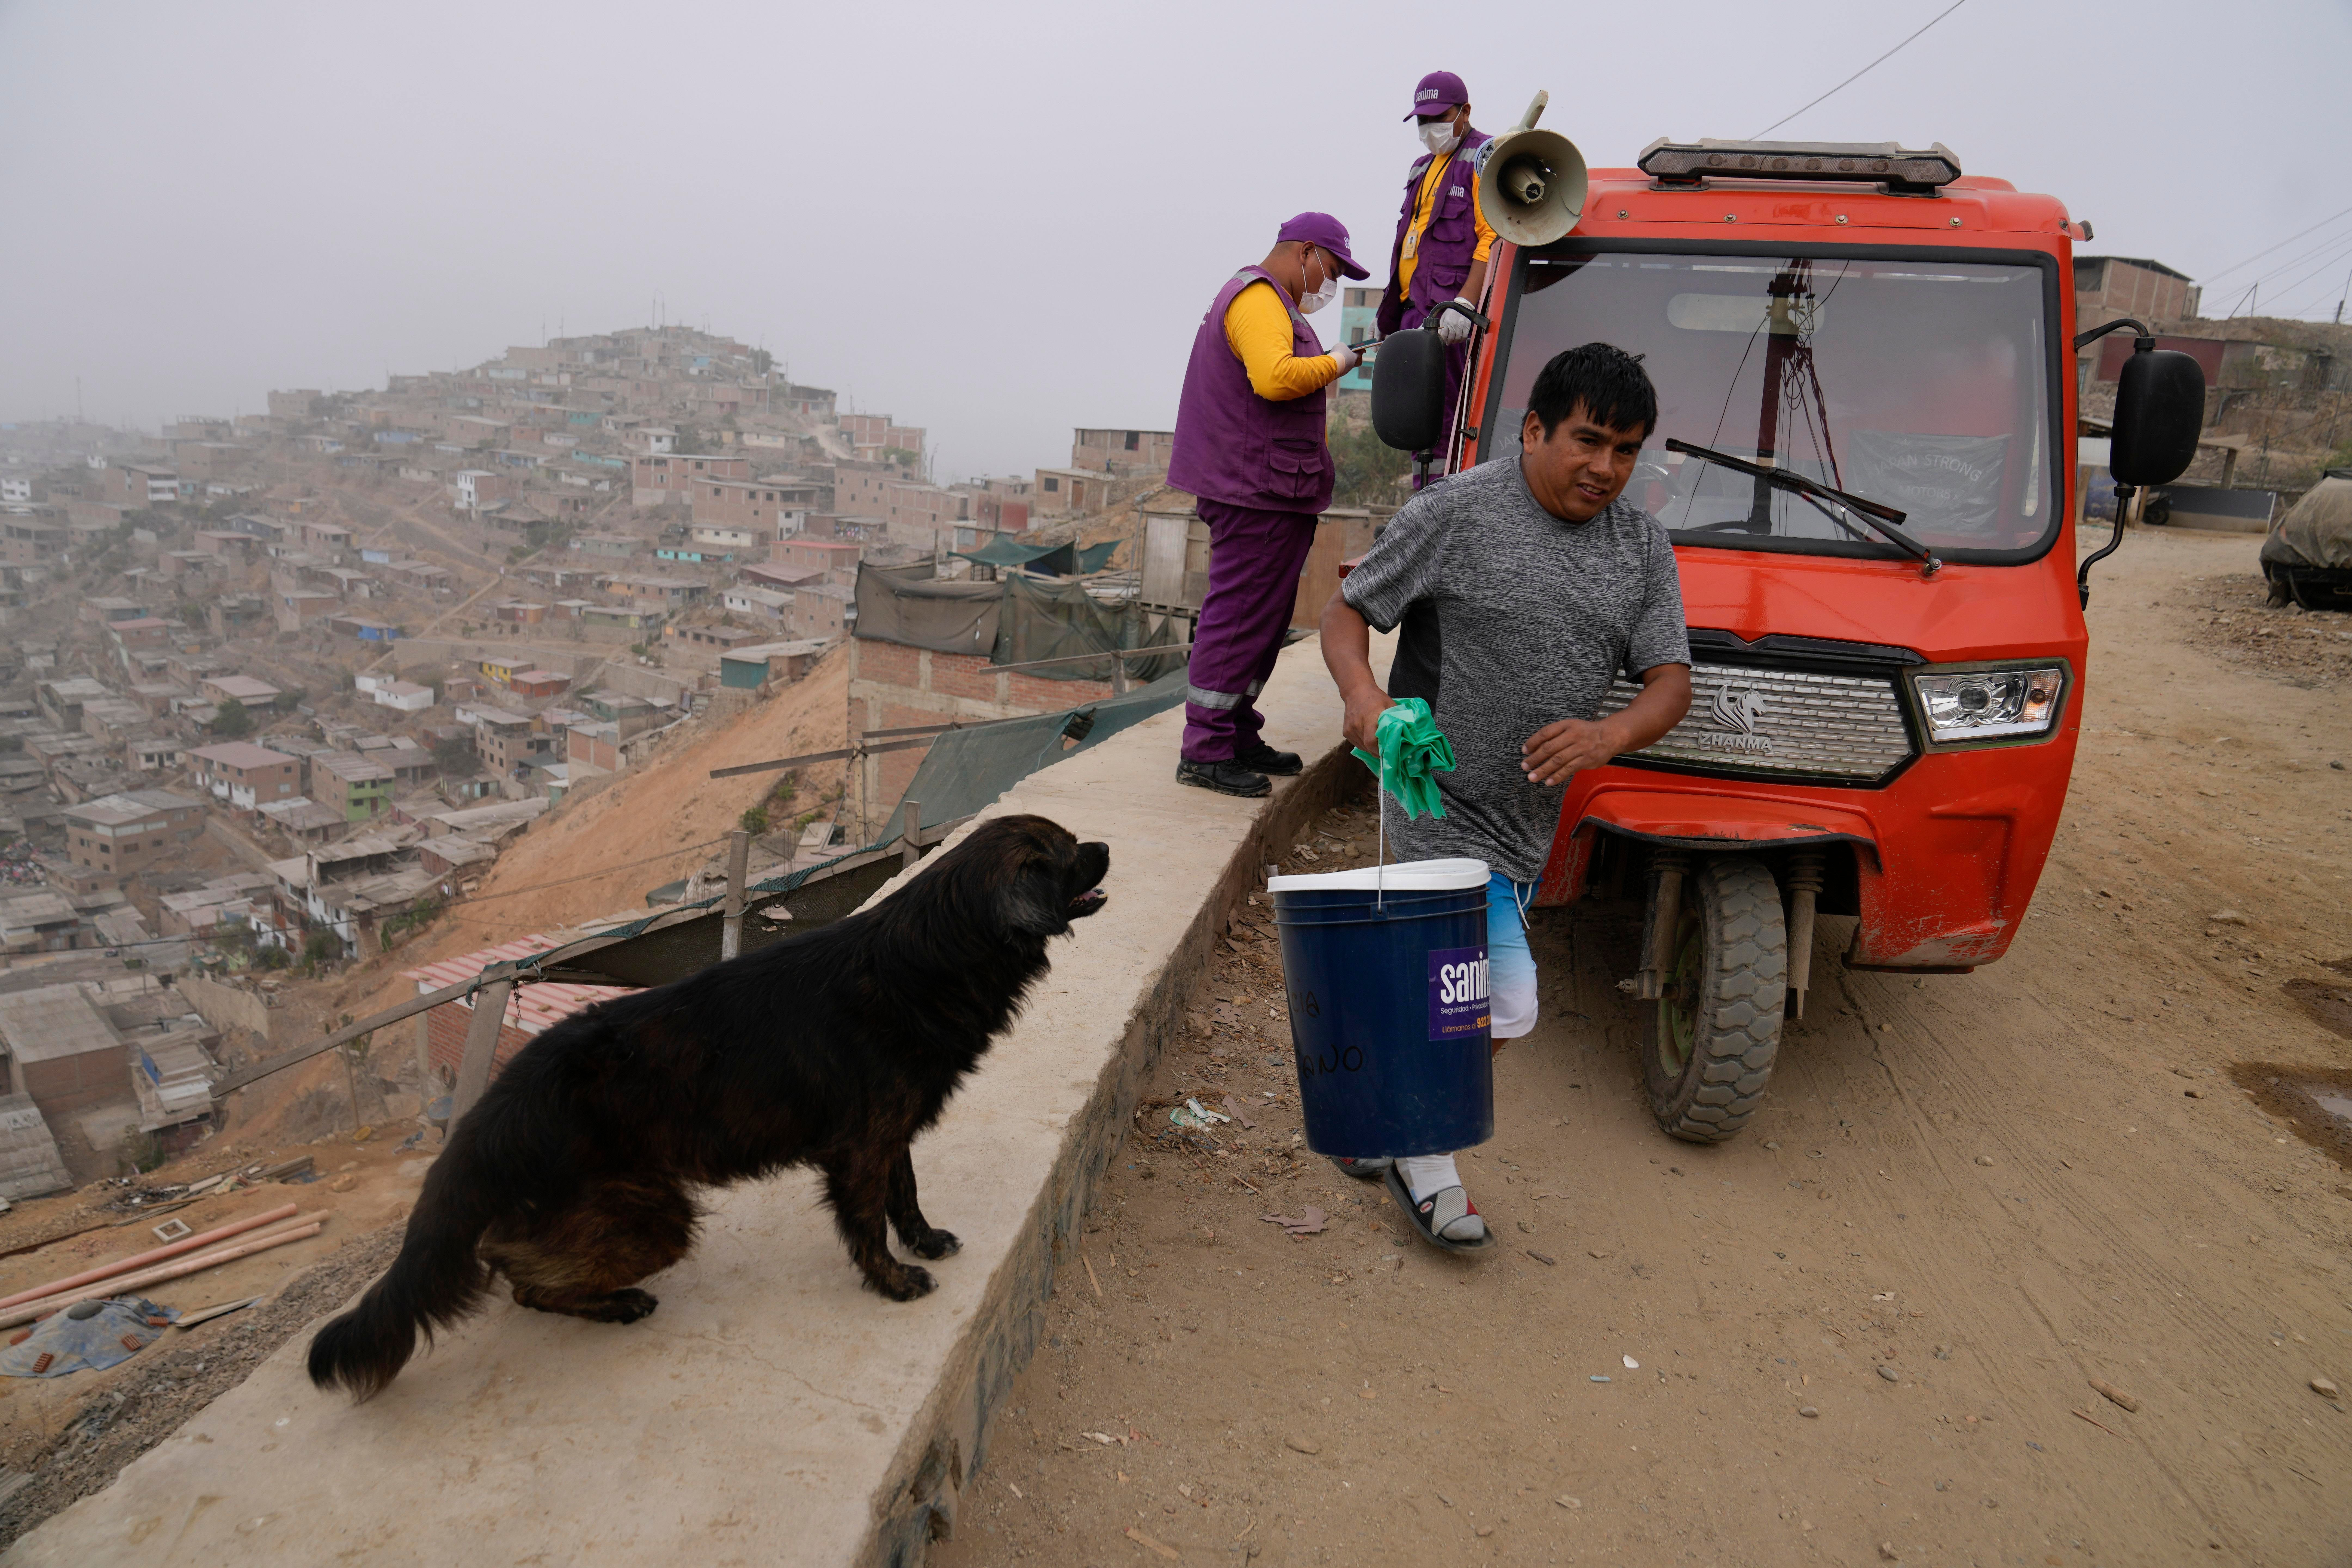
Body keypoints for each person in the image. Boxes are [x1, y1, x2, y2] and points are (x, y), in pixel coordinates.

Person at [1317, 343, 1695, 1249]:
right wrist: (1366, 699)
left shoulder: (1641, 547)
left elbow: (1671, 682)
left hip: (1524, 825)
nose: (1604, 469)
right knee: (1502, 1000)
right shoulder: (1455, 513)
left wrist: (1607, 736)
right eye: (1587, 441)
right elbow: (1348, 613)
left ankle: (1376, 1107)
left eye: (1626, 451)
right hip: (1433, 797)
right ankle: (1426, 1155)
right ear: (1535, 430)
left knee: (1458, 990)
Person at [1168, 213, 1370, 798]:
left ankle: (1235, 732)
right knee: (1237, 619)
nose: (1328, 284)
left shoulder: (1278, 304)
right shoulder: (1257, 298)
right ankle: (1205, 750)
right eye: (1329, 270)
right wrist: (1339, 362)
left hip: (1275, 493)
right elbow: (1275, 378)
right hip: (1252, 493)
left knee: (1261, 621)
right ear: (1305, 252)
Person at [1375, 71, 1499, 465]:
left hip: (1451, 319)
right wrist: (1390, 314)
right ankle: (1425, 510)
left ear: (1465, 112)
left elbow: (1493, 237)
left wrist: (1465, 303)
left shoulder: (1485, 158)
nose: (1430, 128)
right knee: (1419, 427)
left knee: (1444, 429)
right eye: (1423, 120)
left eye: (1439, 117)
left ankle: (1441, 514)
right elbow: (1407, 247)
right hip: (1416, 312)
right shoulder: (1420, 167)